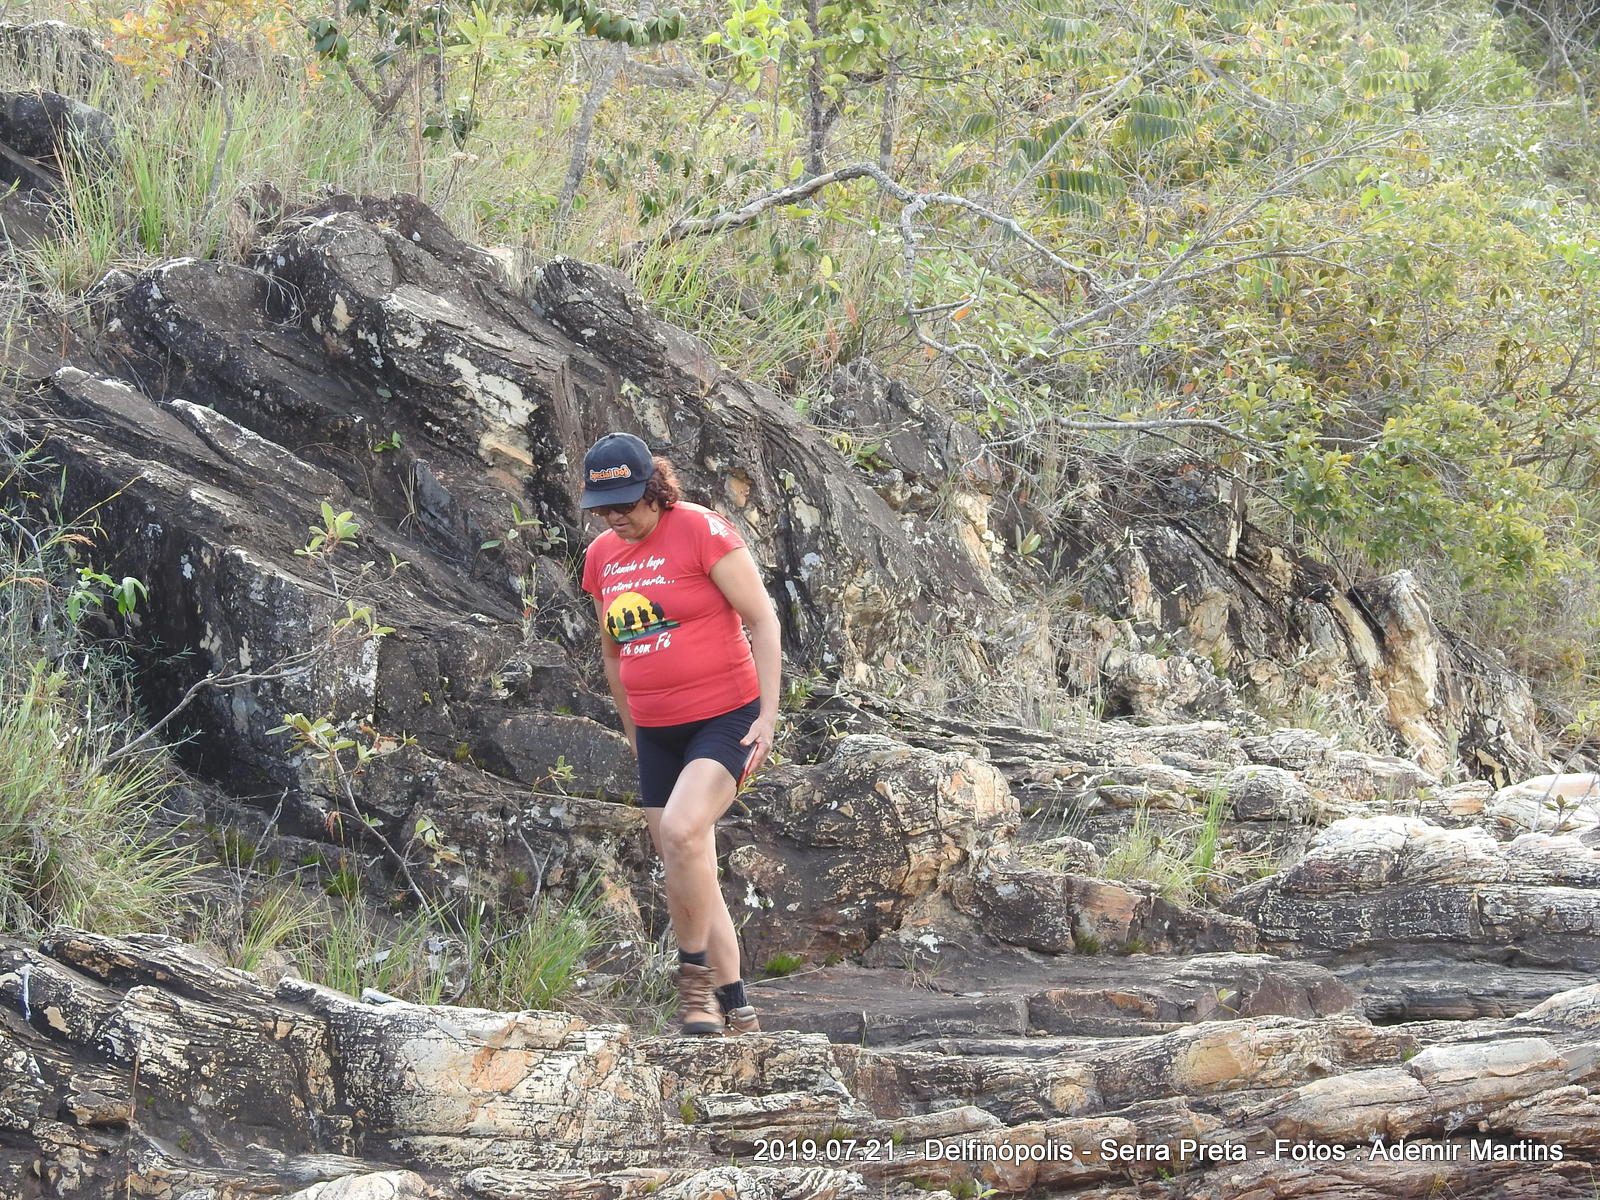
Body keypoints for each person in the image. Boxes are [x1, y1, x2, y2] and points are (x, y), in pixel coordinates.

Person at [577, 431, 781, 1036]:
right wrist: (632, 731)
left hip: (726, 717)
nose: (615, 518)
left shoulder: (700, 530)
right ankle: (737, 1006)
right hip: (656, 731)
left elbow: (763, 619)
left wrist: (769, 715)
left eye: (625, 505)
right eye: (603, 509)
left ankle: (693, 988)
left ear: (655, 490)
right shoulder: (602, 556)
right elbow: (613, 653)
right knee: (687, 861)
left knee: (682, 830)